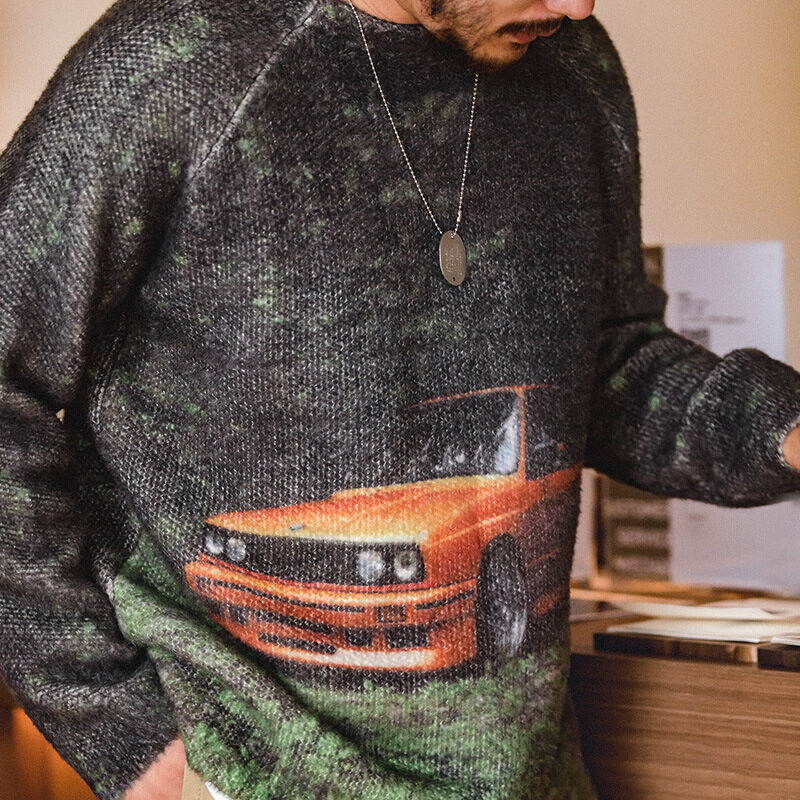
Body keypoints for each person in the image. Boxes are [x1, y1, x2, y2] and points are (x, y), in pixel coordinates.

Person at [1, 0, 799, 799]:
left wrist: (781, 425)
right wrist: (118, 727)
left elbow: (604, 367)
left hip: (528, 774)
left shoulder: (574, 66)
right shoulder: (177, 63)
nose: (578, 4)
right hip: (242, 772)